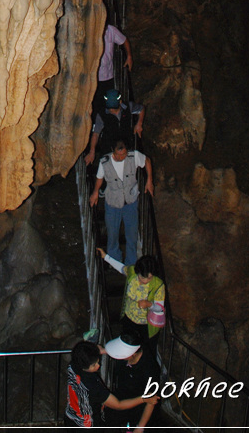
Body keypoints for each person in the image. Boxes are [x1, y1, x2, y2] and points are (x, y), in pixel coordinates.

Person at [89, 138, 153, 266]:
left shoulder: (133, 157)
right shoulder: (105, 162)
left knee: (132, 234)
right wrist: (95, 192)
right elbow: (99, 178)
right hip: (113, 203)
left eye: (123, 154)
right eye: (118, 155)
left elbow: (147, 160)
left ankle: (131, 263)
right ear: (113, 151)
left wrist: (149, 180)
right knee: (112, 234)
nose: (121, 157)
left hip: (130, 202)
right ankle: (115, 261)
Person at [64, 340, 158, 427]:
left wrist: (102, 351)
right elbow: (118, 404)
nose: (98, 365)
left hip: (71, 416)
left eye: (98, 361)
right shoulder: (93, 386)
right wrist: (143, 399)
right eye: (94, 365)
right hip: (87, 425)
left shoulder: (72, 366)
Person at [97, 250, 165, 352]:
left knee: (146, 351)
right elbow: (121, 268)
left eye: (149, 278)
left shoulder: (158, 285)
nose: (145, 281)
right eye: (142, 277)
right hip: (129, 319)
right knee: (127, 347)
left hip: (146, 325)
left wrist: (149, 304)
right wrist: (106, 257)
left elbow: (160, 308)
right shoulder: (132, 272)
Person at [102, 332, 161, 431]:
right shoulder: (132, 351)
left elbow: (151, 400)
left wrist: (140, 428)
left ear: (132, 354)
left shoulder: (149, 370)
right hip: (124, 394)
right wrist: (103, 351)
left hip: (140, 405)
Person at [84, 89, 144, 165]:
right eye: (110, 108)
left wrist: (139, 124)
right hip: (109, 146)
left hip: (126, 144)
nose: (111, 110)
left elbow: (141, 109)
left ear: (120, 102)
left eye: (114, 108)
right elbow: (96, 133)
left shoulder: (128, 107)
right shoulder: (102, 115)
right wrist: (92, 152)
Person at [94, 17, 133, 112]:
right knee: (95, 106)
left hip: (107, 76)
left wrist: (129, 56)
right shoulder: (91, 30)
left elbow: (124, 40)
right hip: (93, 76)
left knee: (108, 105)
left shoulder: (111, 30)